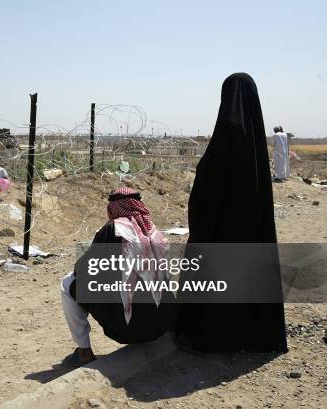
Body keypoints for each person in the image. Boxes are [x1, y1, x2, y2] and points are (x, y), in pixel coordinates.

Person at [174, 73, 288, 353]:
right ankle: (255, 336)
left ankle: (212, 337)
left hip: (222, 226)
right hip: (251, 227)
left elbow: (209, 180)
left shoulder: (227, 127)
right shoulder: (255, 139)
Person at [60, 187, 176, 367]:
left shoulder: (113, 229)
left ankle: (84, 351)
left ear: (113, 208)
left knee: (68, 283)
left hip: (128, 328)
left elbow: (82, 270)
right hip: (163, 325)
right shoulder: (153, 231)